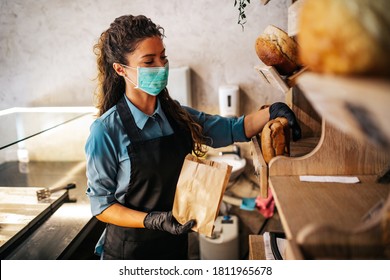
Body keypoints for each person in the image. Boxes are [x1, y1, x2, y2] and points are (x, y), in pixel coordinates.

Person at [85, 14, 301, 260]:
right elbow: (102, 207)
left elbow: (233, 129)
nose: (161, 66)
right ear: (120, 69)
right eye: (149, 61)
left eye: (163, 57)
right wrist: (153, 220)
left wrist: (273, 110)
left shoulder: (177, 116)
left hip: (174, 245)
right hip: (128, 253)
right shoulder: (106, 131)